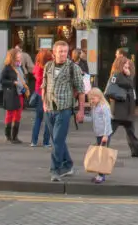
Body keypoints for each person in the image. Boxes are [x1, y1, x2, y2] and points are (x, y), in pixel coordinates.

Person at [42, 38, 85, 182]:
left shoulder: (74, 68)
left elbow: (80, 90)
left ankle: (55, 170)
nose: (63, 54)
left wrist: (81, 111)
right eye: (60, 51)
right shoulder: (48, 66)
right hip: (49, 109)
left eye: (65, 51)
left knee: (58, 141)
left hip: (64, 109)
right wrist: (44, 103)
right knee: (56, 140)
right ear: (54, 52)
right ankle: (68, 164)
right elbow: (44, 86)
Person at [107, 55, 138, 157]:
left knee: (130, 131)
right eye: (126, 64)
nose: (128, 66)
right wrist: (128, 76)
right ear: (120, 65)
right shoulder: (117, 75)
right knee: (110, 131)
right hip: (119, 109)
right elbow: (129, 84)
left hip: (126, 109)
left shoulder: (122, 75)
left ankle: (136, 150)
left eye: (128, 64)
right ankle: (101, 148)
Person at [0, 48, 29, 143]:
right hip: (11, 94)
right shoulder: (7, 68)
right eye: (18, 54)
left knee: (18, 115)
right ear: (13, 56)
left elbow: (22, 78)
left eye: (20, 54)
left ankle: (15, 136)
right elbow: (2, 81)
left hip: (20, 93)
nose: (20, 56)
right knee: (10, 114)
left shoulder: (19, 66)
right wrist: (13, 82)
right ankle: (8, 136)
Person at [88, 87, 113, 184]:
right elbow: (93, 119)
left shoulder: (103, 107)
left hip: (104, 135)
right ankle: (99, 174)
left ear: (99, 97)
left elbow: (107, 122)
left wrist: (106, 135)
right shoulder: (95, 107)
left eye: (93, 98)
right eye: (90, 99)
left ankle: (101, 176)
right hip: (98, 134)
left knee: (102, 155)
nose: (91, 101)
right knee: (99, 154)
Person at [30, 49, 53, 148]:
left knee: (38, 119)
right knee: (48, 119)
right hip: (47, 94)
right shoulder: (49, 67)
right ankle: (46, 142)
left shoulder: (37, 66)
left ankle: (34, 141)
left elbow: (35, 75)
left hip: (38, 93)